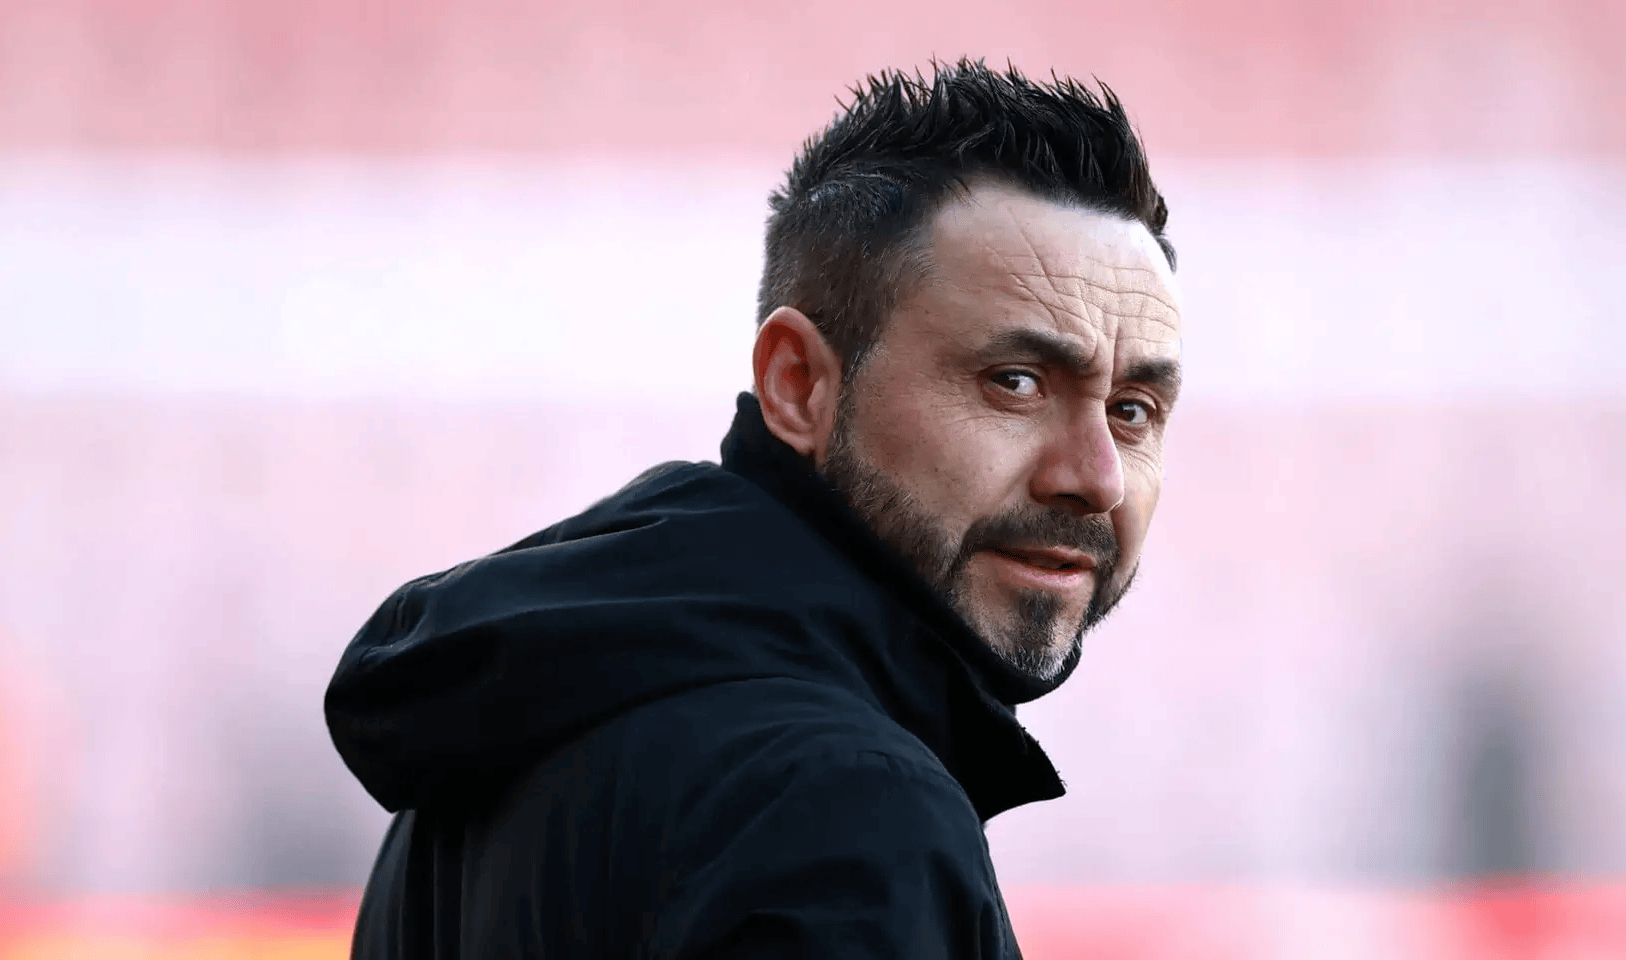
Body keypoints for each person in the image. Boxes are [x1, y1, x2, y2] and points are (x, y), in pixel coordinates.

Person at [325, 59, 1183, 959]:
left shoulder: (513, 731)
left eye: (1133, 410)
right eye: (1015, 382)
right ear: (799, 384)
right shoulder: (850, 807)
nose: (1097, 478)